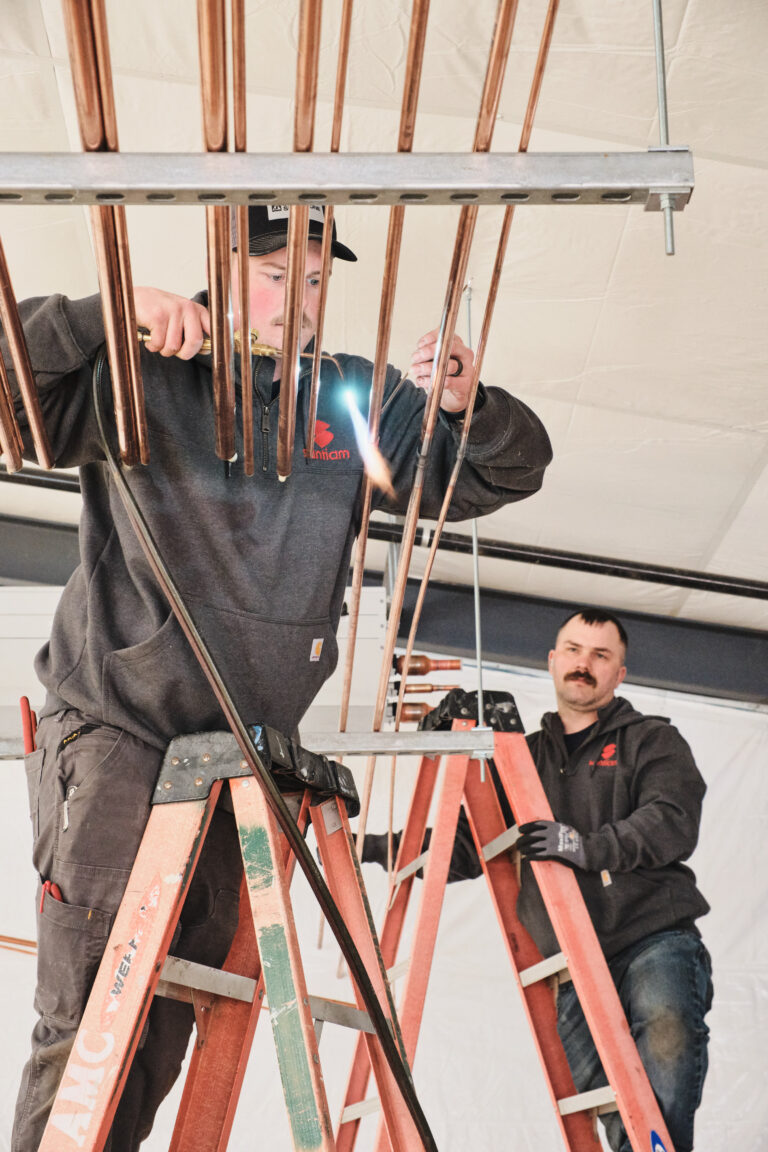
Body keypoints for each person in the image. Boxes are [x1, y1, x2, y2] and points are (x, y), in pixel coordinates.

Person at [2, 203, 552, 1151]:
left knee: (168, 1016)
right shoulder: (138, 372)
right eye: (273, 276)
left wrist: (471, 406)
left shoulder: (353, 400)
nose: (297, 301)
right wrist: (108, 314)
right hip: (120, 730)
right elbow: (11, 397)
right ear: (223, 270)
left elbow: (499, 474)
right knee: (90, 1012)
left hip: (239, 762)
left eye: (315, 282)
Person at [365, 608, 713, 1152]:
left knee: (667, 1037)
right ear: (552, 661)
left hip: (652, 937)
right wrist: (371, 848)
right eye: (573, 650)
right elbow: (468, 846)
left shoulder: (652, 741)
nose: (584, 663)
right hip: (570, 959)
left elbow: (670, 823)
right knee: (609, 1101)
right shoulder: (523, 760)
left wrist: (583, 846)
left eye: (600, 655)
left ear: (620, 674)